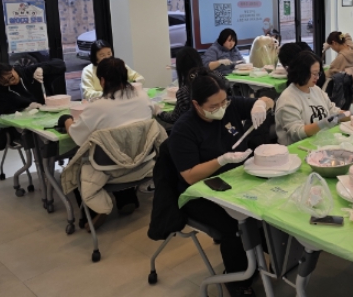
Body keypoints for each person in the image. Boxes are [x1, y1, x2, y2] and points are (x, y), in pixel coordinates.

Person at [168, 70, 274, 297]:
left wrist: (261, 104)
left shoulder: (230, 106)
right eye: (214, 106)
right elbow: (189, 176)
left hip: (237, 180)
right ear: (196, 104)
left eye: (224, 101)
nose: (221, 108)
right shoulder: (184, 129)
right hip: (201, 192)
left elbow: (269, 99)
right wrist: (221, 160)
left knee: (270, 207)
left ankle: (274, 258)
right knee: (235, 224)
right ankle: (238, 278)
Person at [62, 57, 156, 227]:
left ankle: (91, 214)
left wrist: (67, 121)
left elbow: (77, 136)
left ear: (103, 81)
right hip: (142, 162)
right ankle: (127, 200)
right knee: (124, 147)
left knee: (78, 162)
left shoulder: (98, 107)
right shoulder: (143, 97)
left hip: (110, 169)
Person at [275, 51, 348, 145]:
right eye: (314, 73)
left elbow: (332, 110)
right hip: (298, 147)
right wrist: (323, 124)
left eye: (318, 73)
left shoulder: (315, 89)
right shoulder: (288, 100)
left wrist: (351, 116)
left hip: (321, 140)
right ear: (302, 72)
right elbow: (296, 133)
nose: (317, 77)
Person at [156, 46, 202, 127]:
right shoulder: (217, 76)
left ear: (180, 67)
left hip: (195, 130)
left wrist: (159, 112)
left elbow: (174, 118)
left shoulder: (185, 91)